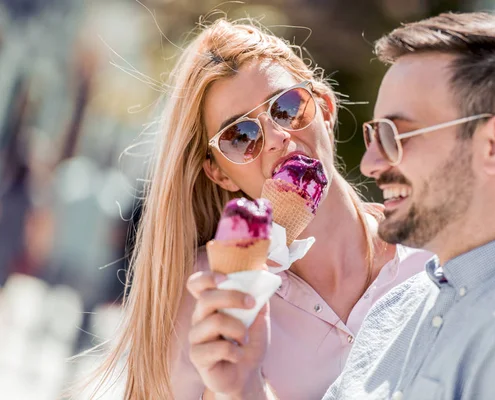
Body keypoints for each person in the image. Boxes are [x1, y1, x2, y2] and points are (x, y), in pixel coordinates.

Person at [193, 11, 495, 400]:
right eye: (374, 135)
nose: (370, 165)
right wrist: (242, 388)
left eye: (397, 135)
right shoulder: (398, 308)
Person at [87, 19, 430, 400]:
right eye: (241, 136)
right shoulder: (208, 296)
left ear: (325, 109)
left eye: (288, 107)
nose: (278, 139)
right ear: (219, 173)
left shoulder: (434, 253)